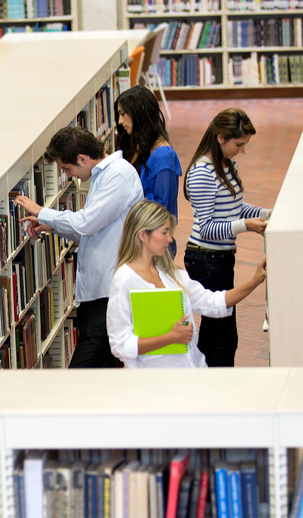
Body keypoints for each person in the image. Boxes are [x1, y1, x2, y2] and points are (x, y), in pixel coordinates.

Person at [14, 126, 144, 368]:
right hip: (98, 291)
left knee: (80, 374)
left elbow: (87, 222)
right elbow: (92, 227)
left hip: (109, 292)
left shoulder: (117, 175)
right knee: (99, 373)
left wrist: (43, 211)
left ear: (82, 158)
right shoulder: (103, 175)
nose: (69, 175)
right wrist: (50, 224)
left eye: (67, 168)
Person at [105, 200, 266, 368]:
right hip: (155, 384)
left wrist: (255, 281)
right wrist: (170, 338)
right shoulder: (124, 280)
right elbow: (120, 346)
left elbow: (211, 302)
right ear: (143, 235)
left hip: (193, 373)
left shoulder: (170, 273)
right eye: (165, 232)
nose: (170, 239)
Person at [182, 107, 270, 367]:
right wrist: (246, 226)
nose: (241, 150)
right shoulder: (202, 173)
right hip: (206, 259)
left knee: (219, 333)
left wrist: (266, 213)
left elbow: (235, 207)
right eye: (239, 144)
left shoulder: (227, 164)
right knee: (221, 337)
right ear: (220, 137)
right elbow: (207, 226)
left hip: (220, 258)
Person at [115, 86, 181, 257]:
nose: (120, 121)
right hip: (137, 241)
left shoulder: (163, 156)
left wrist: (127, 196)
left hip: (155, 247)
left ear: (139, 112)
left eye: (123, 114)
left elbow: (161, 207)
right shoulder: (135, 145)